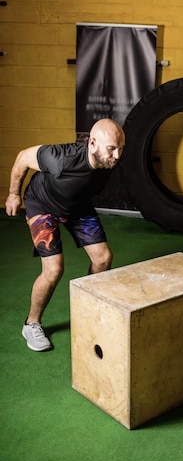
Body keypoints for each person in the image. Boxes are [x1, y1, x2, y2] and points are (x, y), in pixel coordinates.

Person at [5, 118, 125, 352]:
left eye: (121, 149)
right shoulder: (61, 158)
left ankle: (86, 310)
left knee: (102, 259)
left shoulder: (110, 160)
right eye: (112, 149)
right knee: (54, 268)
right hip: (42, 206)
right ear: (92, 143)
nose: (117, 155)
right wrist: (12, 194)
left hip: (77, 207)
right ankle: (31, 323)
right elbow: (22, 158)